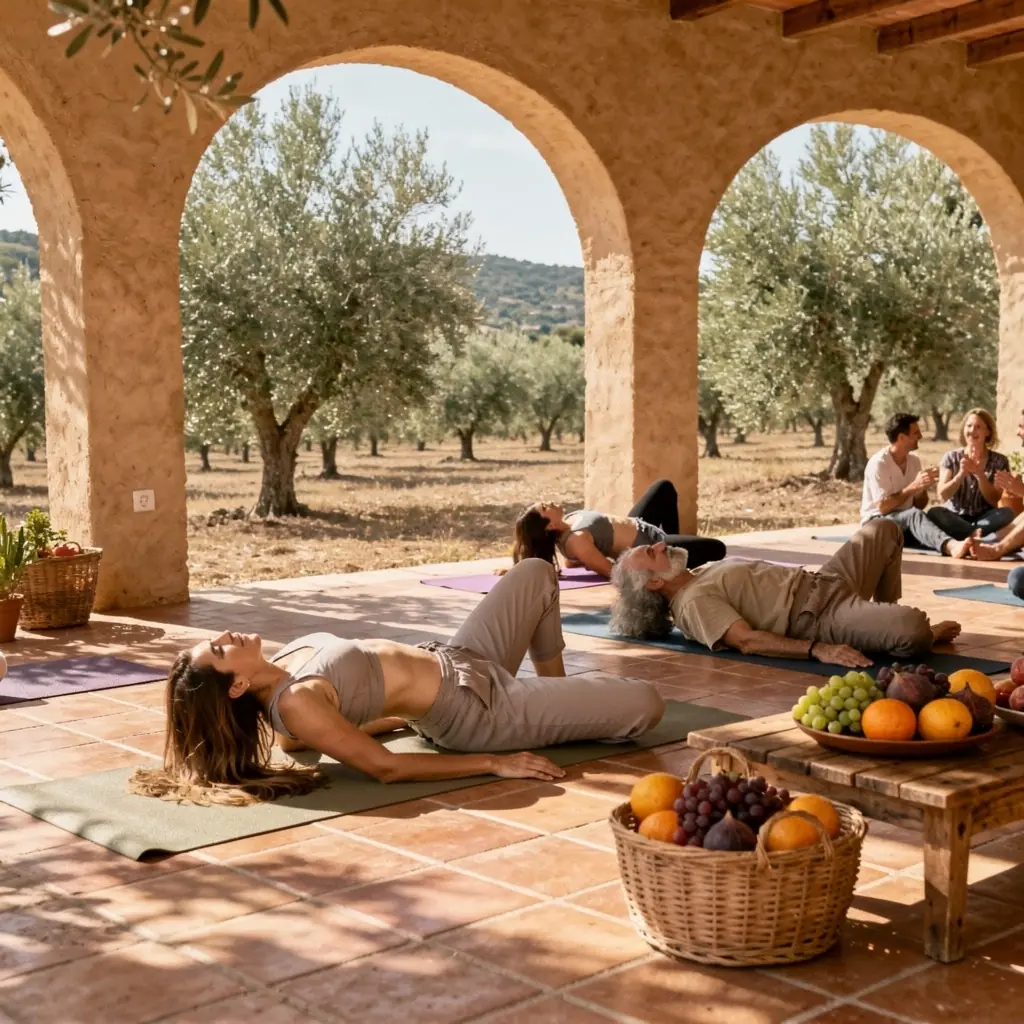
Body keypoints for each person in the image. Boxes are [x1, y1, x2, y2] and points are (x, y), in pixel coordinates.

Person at [129, 559, 665, 805]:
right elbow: (386, 768)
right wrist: (492, 762)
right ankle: (547, 708)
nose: (225, 636)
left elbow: (302, 739)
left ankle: (556, 693)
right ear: (236, 687)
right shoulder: (293, 703)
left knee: (535, 572)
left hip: (462, 657)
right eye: (220, 651)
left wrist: (388, 719)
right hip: (479, 711)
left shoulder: (286, 677)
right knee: (646, 703)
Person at [610, 519, 961, 667]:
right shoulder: (693, 604)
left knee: (884, 528)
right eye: (652, 553)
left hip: (826, 581)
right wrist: (818, 649)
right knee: (914, 628)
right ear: (654, 583)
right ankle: (894, 629)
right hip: (820, 617)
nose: (661, 545)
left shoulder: (697, 575)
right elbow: (747, 641)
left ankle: (880, 618)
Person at [512, 479, 726, 578]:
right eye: (545, 508)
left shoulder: (568, 524)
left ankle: (673, 551)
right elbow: (612, 571)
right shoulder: (576, 540)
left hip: (639, 523)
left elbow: (572, 560)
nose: (549, 503)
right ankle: (667, 555)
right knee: (717, 548)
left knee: (663, 487)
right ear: (549, 525)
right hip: (647, 545)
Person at [860, 412, 974, 558]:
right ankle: (950, 546)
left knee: (936, 513)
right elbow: (883, 507)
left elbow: (920, 505)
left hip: (904, 525)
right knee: (913, 515)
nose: (920, 436)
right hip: (877, 525)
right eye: (915, 433)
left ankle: (977, 539)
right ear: (902, 437)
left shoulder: (914, 461)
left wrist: (922, 487)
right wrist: (914, 485)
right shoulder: (879, 463)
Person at [928, 408, 1015, 541]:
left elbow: (994, 500)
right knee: (934, 512)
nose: (972, 430)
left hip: (984, 517)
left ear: (988, 432)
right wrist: (960, 474)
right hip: (955, 516)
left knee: (1007, 513)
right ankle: (975, 534)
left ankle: (965, 534)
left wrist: (980, 475)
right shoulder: (951, 457)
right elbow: (942, 495)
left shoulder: (1000, 461)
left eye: (978, 427)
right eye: (969, 426)